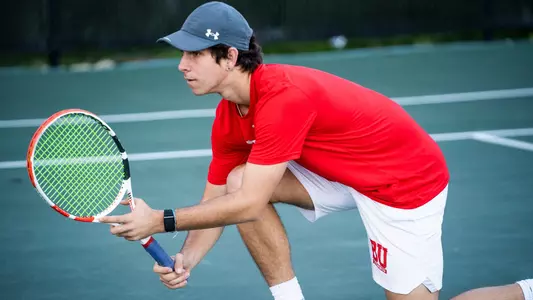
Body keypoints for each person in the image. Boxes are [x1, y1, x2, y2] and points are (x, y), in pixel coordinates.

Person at [100, 2, 532, 300]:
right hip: (339, 173)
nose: (182, 65)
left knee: (246, 190)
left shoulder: (283, 98)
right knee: (237, 179)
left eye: (194, 54)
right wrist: (186, 257)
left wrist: (160, 220)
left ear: (230, 56)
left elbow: (248, 205)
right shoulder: (230, 114)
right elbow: (220, 196)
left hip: (402, 180)